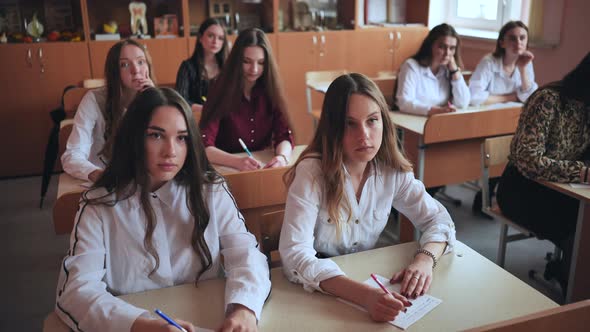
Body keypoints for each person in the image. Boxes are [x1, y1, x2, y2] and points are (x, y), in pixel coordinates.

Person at [55, 87, 270, 332]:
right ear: (134, 138)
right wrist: (140, 325)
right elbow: (77, 291)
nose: (171, 151)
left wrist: (244, 309)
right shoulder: (99, 204)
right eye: (156, 136)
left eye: (181, 138)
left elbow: (246, 254)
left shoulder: (210, 191)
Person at [279, 73, 456, 322]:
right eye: (350, 124)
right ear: (333, 128)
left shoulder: (391, 170)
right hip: (317, 291)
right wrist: (365, 296)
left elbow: (439, 220)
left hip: (367, 281)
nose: (364, 135)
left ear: (384, 120)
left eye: (372, 120)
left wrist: (425, 260)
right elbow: (295, 255)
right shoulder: (312, 172)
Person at [497, 52, 590, 292]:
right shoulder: (548, 100)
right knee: (577, 231)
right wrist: (581, 173)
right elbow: (529, 161)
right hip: (522, 190)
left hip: (564, 190)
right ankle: (574, 299)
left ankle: (570, 274)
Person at [199, 28, 293, 171]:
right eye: (247, 61)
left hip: (262, 165)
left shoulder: (271, 89)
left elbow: (284, 135)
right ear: (237, 61)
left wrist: (282, 157)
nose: (254, 69)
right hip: (226, 167)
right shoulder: (219, 88)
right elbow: (204, 146)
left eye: (261, 62)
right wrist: (236, 162)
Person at [61, 39, 156, 182]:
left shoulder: (155, 99)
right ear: (114, 72)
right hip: (107, 180)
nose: (136, 70)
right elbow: (73, 155)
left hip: (145, 181)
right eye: (124, 64)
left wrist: (155, 101)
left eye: (141, 62)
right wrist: (100, 175)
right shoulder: (94, 100)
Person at [396, 23, 470, 116]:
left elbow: (463, 103)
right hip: (414, 119)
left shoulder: (447, 69)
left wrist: (454, 70)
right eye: (442, 47)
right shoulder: (411, 66)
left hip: (438, 121)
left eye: (452, 48)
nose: (447, 53)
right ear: (430, 45)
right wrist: (435, 110)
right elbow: (404, 103)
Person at [469, 21, 537, 106]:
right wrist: (510, 98)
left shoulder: (527, 62)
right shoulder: (489, 62)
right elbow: (474, 97)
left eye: (522, 38)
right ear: (502, 43)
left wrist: (522, 69)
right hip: (489, 113)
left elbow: (530, 97)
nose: (518, 42)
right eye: (512, 38)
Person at [175, 18, 229, 113]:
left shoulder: (228, 67)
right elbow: (180, 100)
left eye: (220, 38)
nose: (215, 41)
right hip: (195, 119)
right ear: (200, 37)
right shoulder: (187, 67)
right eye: (211, 36)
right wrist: (205, 110)